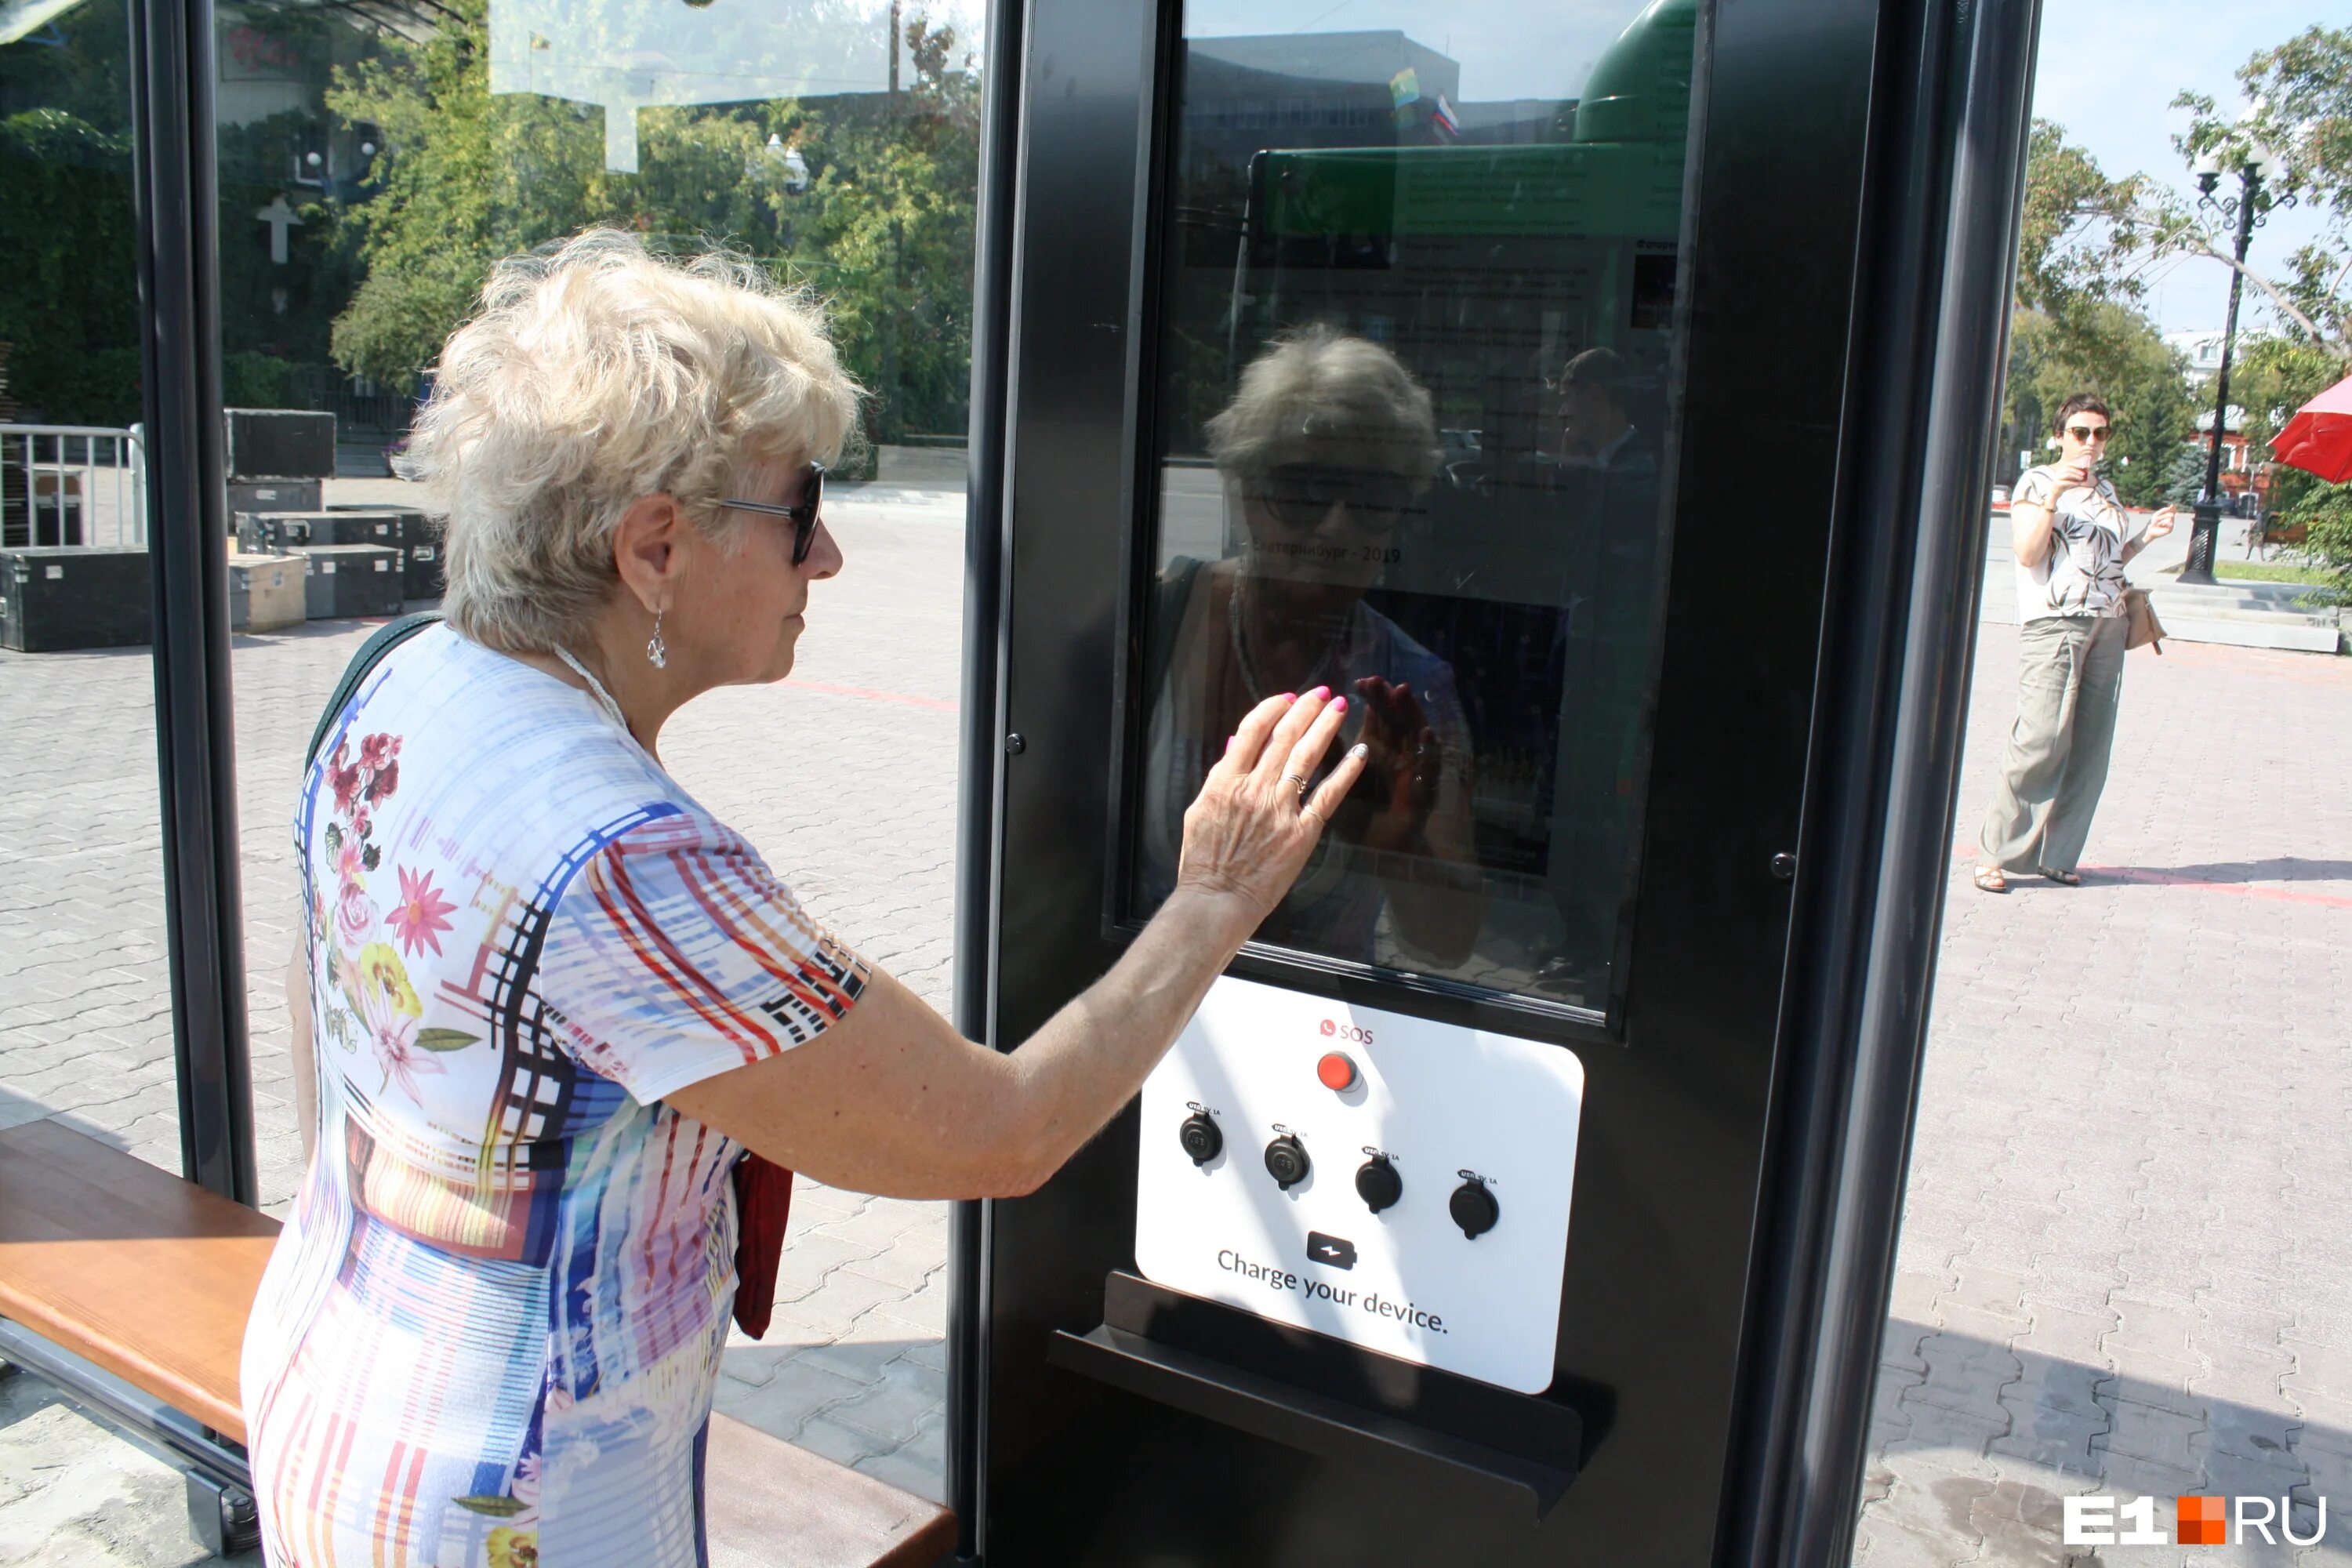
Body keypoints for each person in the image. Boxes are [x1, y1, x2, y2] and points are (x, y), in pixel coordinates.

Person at [239, 230, 1368, 1568]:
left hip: (336, 1388)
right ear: (655, 547)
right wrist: (1213, 901)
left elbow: (337, 1048)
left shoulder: (404, 673)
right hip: (523, 1506)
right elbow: (1000, 1131)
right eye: (800, 505)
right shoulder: (624, 863)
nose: (826, 555)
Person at [1138, 325, 1486, 967]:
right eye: (1301, 491)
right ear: (1245, 492)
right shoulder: (1157, 619)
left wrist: (1397, 844)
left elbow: (1449, 944)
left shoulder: (1414, 686)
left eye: (1373, 496)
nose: (1336, 526)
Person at [1973, 394, 2175, 892]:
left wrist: (2147, 538)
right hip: (2055, 622)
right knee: (2040, 737)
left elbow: (2108, 560)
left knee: (2090, 745)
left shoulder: (2106, 490)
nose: (2090, 442)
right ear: (2061, 435)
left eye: (2100, 433)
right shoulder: (2039, 481)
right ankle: (1994, 853)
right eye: (2081, 432)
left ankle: (2057, 856)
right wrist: (2052, 498)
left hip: (2109, 623)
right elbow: (2027, 553)